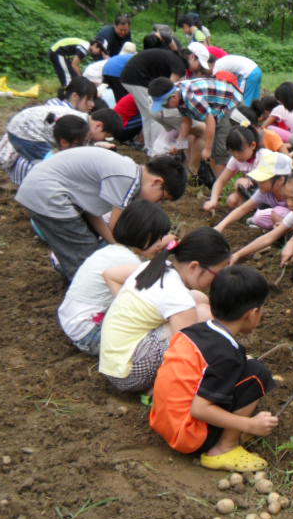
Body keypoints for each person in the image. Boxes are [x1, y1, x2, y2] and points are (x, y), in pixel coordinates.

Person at [150, 265, 278, 471]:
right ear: (253, 313)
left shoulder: (192, 330)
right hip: (188, 437)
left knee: (245, 364)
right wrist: (249, 425)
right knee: (257, 374)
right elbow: (199, 409)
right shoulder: (227, 355)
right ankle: (224, 448)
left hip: (164, 420)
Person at [14, 148, 187, 280]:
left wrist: (117, 247)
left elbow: (93, 216)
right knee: (86, 257)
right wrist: (141, 250)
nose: (157, 203)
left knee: (90, 248)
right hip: (49, 195)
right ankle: (85, 295)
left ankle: (73, 274)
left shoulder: (127, 171)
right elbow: (117, 229)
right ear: (157, 182)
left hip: (42, 190)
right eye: (162, 198)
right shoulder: (127, 179)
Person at [99, 228, 230, 393]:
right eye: (217, 273)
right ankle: (160, 386)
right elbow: (183, 355)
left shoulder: (157, 266)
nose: (217, 280)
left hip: (114, 360)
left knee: (198, 298)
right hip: (129, 375)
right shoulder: (177, 296)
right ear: (194, 267)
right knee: (203, 317)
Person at [57, 200, 172, 354]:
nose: (160, 244)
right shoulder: (128, 261)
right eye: (157, 238)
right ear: (142, 235)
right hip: (90, 334)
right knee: (160, 329)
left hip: (73, 322)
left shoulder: (112, 250)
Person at [148, 75, 242, 177]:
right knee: (211, 144)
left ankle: (223, 186)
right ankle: (209, 177)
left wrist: (208, 149)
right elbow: (186, 120)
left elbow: (210, 122)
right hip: (216, 105)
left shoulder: (191, 98)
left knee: (217, 151)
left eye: (164, 105)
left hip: (231, 103)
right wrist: (179, 144)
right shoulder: (177, 92)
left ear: (174, 97)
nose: (164, 107)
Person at [119, 48, 187, 156]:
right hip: (136, 79)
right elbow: (170, 89)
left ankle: (149, 148)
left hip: (129, 78)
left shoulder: (172, 57)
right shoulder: (179, 65)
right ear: (191, 58)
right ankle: (155, 151)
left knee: (147, 115)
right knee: (156, 115)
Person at [204, 127, 284, 215]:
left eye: (240, 151)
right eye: (232, 152)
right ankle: (254, 210)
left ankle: (264, 209)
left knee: (241, 183)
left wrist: (250, 180)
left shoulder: (264, 156)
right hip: (256, 192)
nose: (236, 155)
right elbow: (221, 181)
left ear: (252, 145)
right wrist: (213, 200)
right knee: (232, 201)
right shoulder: (235, 160)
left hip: (273, 193)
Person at [214, 151, 293, 233]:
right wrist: (221, 226)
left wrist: (290, 227)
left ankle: (285, 235)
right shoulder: (264, 192)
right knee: (258, 217)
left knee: (277, 212)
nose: (258, 182)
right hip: (283, 217)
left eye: (263, 179)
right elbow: (243, 209)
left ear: (280, 180)